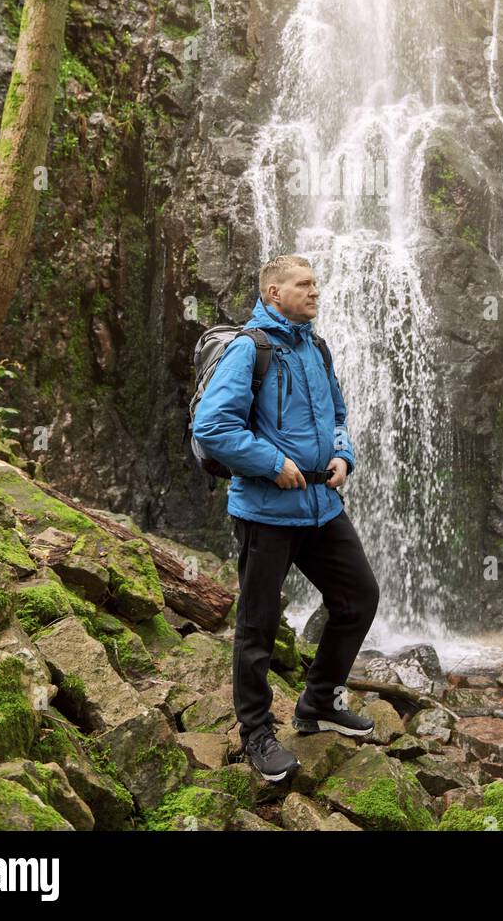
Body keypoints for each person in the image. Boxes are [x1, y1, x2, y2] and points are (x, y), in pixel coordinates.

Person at [192, 253, 381, 781]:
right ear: (274, 293)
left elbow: (337, 415)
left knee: (359, 597)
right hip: (266, 512)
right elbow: (213, 427)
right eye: (303, 284)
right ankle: (256, 735)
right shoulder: (248, 350)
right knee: (257, 627)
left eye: (316, 283)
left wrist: (343, 454)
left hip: (321, 506)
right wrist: (272, 463)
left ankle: (318, 702)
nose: (315, 291)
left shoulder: (315, 348)